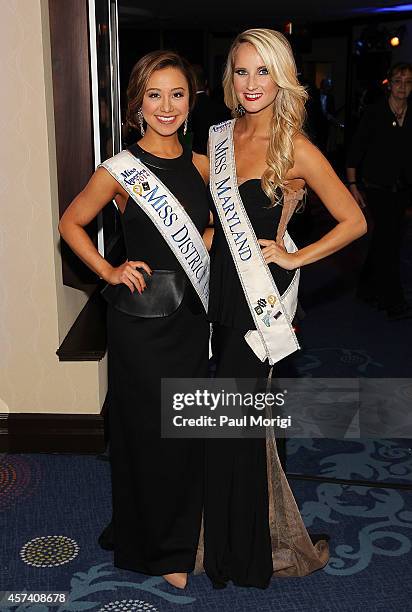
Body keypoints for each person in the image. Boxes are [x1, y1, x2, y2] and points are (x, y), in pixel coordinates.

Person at [198, 28, 367, 589]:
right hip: (220, 289)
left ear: (282, 77)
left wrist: (297, 258)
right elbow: (219, 216)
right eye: (242, 71)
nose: (251, 84)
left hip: (259, 296)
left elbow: (354, 220)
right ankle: (231, 537)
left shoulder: (294, 145)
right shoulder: (220, 133)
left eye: (262, 72)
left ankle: (243, 553)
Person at [58, 50, 211, 590]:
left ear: (191, 103)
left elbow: (210, 235)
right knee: (149, 434)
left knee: (186, 432)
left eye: (177, 94)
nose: (166, 106)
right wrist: (108, 270)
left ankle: (176, 529)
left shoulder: (202, 165)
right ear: (136, 106)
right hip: (143, 325)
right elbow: (71, 222)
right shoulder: (120, 171)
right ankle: (161, 548)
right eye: (154, 95)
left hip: (192, 319)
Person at [347, 62, 412, 320]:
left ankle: (366, 287)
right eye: (398, 81)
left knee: (384, 239)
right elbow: (355, 151)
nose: (402, 87)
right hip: (376, 187)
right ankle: (393, 299)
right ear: (389, 84)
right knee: (390, 242)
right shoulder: (374, 113)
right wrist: (352, 186)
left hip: (403, 188)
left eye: (408, 82)